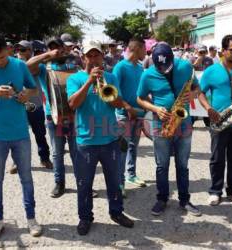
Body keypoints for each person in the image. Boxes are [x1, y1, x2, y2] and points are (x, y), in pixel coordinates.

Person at [0, 27, 42, 241]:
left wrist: (25, 95)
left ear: (8, 49)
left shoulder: (20, 65)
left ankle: (31, 218)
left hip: (20, 132)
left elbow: (33, 89)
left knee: (27, 178)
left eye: (2, 57)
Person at [67, 40, 134, 235]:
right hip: (86, 142)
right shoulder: (75, 79)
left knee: (114, 181)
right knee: (84, 183)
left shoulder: (111, 77)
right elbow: (73, 104)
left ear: (102, 57)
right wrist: (89, 81)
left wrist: (110, 93)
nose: (94, 58)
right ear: (83, 58)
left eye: (97, 55)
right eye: (90, 55)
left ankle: (116, 212)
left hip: (110, 139)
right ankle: (85, 217)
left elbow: (117, 104)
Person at [137, 42, 201, 217]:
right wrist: (155, 109)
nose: (164, 70)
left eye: (167, 66)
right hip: (160, 124)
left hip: (184, 123)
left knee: (182, 165)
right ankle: (162, 199)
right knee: (161, 165)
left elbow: (197, 87)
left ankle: (184, 200)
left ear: (174, 58)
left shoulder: (186, 66)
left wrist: (194, 93)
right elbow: (140, 99)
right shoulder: (148, 74)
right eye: (160, 68)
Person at [198, 34, 232, 207]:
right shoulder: (211, 71)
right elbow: (199, 92)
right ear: (223, 51)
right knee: (217, 158)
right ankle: (215, 192)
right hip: (219, 121)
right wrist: (208, 108)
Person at [26, 38, 77, 198]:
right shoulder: (43, 67)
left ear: (63, 48)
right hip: (53, 115)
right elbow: (27, 66)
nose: (55, 50)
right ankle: (59, 183)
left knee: (77, 151)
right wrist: (48, 55)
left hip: (74, 114)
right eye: (51, 47)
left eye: (57, 47)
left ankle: (83, 183)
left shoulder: (73, 64)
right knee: (57, 152)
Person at [6, 40, 52, 174]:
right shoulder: (11, 64)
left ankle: (44, 158)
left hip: (35, 106)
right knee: (17, 136)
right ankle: (17, 161)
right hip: (17, 107)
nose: (19, 51)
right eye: (18, 49)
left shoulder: (35, 64)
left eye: (23, 49)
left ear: (30, 51)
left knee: (40, 134)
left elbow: (27, 66)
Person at [113, 38, 147, 196]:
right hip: (124, 116)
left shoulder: (140, 68)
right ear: (137, 48)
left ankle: (131, 175)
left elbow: (142, 92)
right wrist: (127, 108)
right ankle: (118, 183)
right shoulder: (120, 67)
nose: (146, 53)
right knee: (122, 149)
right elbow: (114, 92)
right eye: (144, 49)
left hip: (138, 114)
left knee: (133, 146)